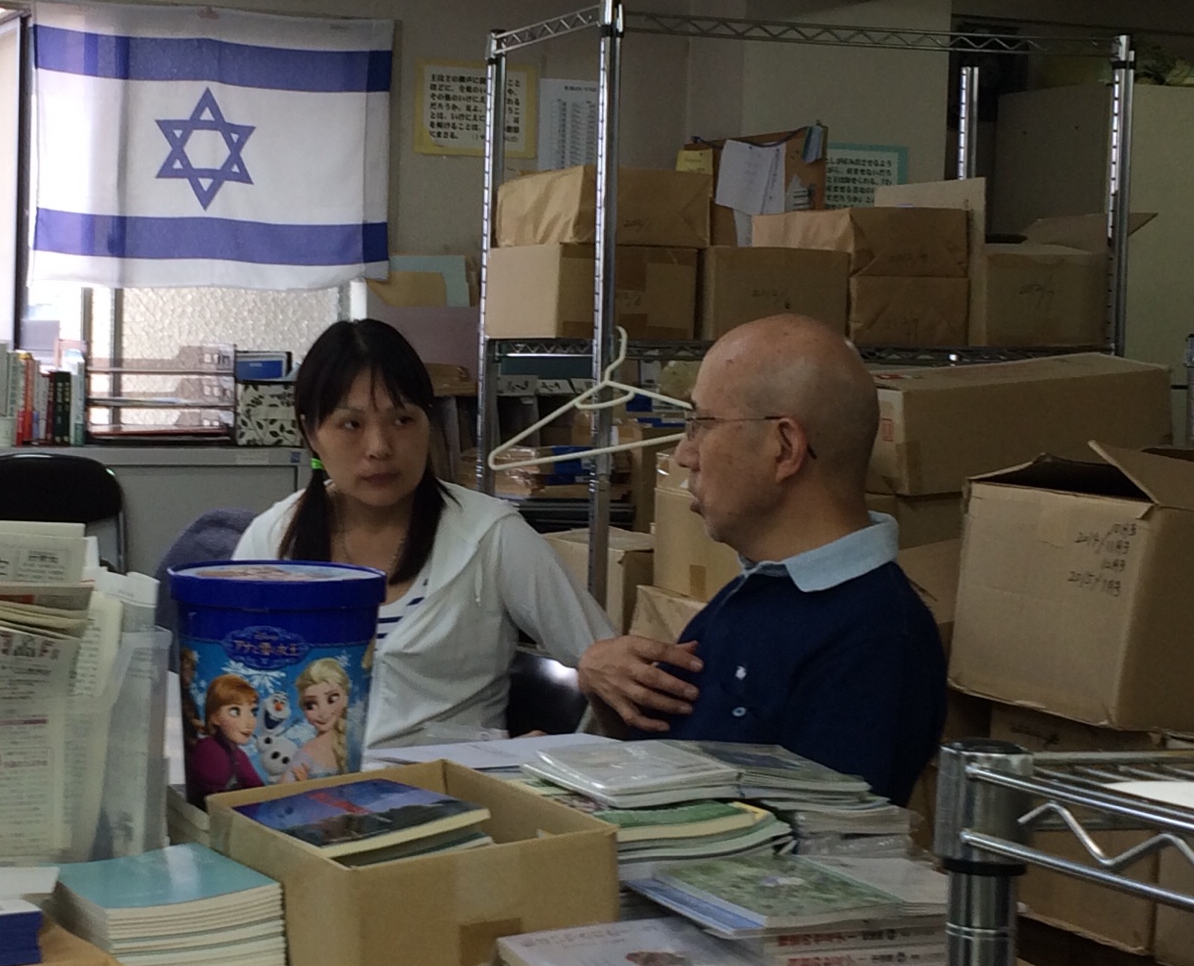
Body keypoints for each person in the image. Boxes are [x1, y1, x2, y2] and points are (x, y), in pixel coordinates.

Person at [577, 314, 947, 805]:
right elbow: (671, 774)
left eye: (700, 424)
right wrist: (612, 695)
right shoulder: (757, 595)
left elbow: (806, 842)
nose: (684, 454)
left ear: (785, 447)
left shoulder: (874, 638)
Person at [236, 318, 647, 749]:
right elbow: (233, 684)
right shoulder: (272, 542)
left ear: (428, 422)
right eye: (351, 425)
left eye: (402, 420)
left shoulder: (489, 536)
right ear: (311, 433)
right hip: (307, 781)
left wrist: (544, 756)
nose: (379, 447)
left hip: (449, 783)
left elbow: (605, 660)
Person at [185, 672, 265, 808]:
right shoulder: (208, 750)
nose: (249, 722)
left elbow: (260, 792)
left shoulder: (239, 755)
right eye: (235, 711)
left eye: (253, 712)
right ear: (215, 717)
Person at [289, 658, 350, 780]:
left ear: (345, 698)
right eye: (311, 705)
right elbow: (282, 789)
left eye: (332, 699)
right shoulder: (305, 755)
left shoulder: (354, 740)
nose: (323, 713)